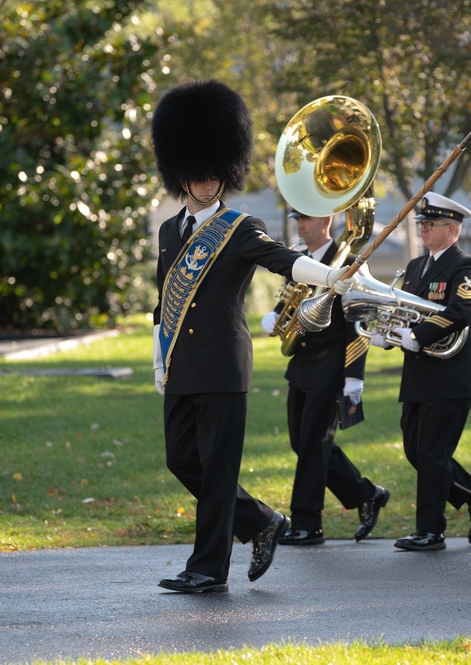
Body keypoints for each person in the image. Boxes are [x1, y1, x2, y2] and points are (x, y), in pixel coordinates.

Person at [150, 80, 357, 593]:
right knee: (181, 460)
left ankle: (208, 569)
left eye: (213, 174)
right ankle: (261, 521)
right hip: (180, 364)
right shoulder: (169, 232)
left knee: (217, 470)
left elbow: (284, 261)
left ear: (224, 174)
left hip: (223, 364)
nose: (204, 183)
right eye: (195, 174)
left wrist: (330, 276)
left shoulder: (242, 228)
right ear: (181, 175)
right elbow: (164, 304)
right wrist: (158, 360)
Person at [371, 192, 471, 552]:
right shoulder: (414, 267)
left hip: (450, 376)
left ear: (452, 229)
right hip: (418, 377)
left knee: (431, 455)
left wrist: (418, 334)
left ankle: (430, 530)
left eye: (430, 224)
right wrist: (388, 333)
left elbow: (461, 311)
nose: (423, 229)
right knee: (416, 451)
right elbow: (403, 311)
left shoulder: (466, 265)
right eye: (421, 224)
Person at [260, 209, 389, 545]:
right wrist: (274, 316)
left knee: (315, 446)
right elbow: (290, 299)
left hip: (332, 367)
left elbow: (360, 320)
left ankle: (308, 523)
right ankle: (366, 494)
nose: (300, 225)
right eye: (297, 219)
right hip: (302, 364)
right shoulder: (299, 260)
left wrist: (353, 377)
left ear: (326, 221)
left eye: (307, 219)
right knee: (301, 443)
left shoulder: (347, 260)